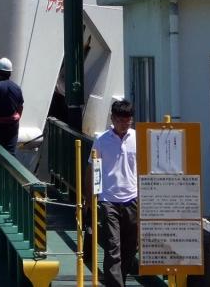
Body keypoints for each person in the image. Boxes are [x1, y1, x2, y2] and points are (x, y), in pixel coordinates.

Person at [94, 99, 138, 286]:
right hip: (108, 199)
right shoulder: (101, 141)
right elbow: (93, 169)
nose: (124, 124)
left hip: (133, 198)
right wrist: (90, 198)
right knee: (113, 246)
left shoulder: (138, 138)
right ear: (112, 119)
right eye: (120, 120)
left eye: (127, 121)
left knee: (130, 246)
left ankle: (120, 279)